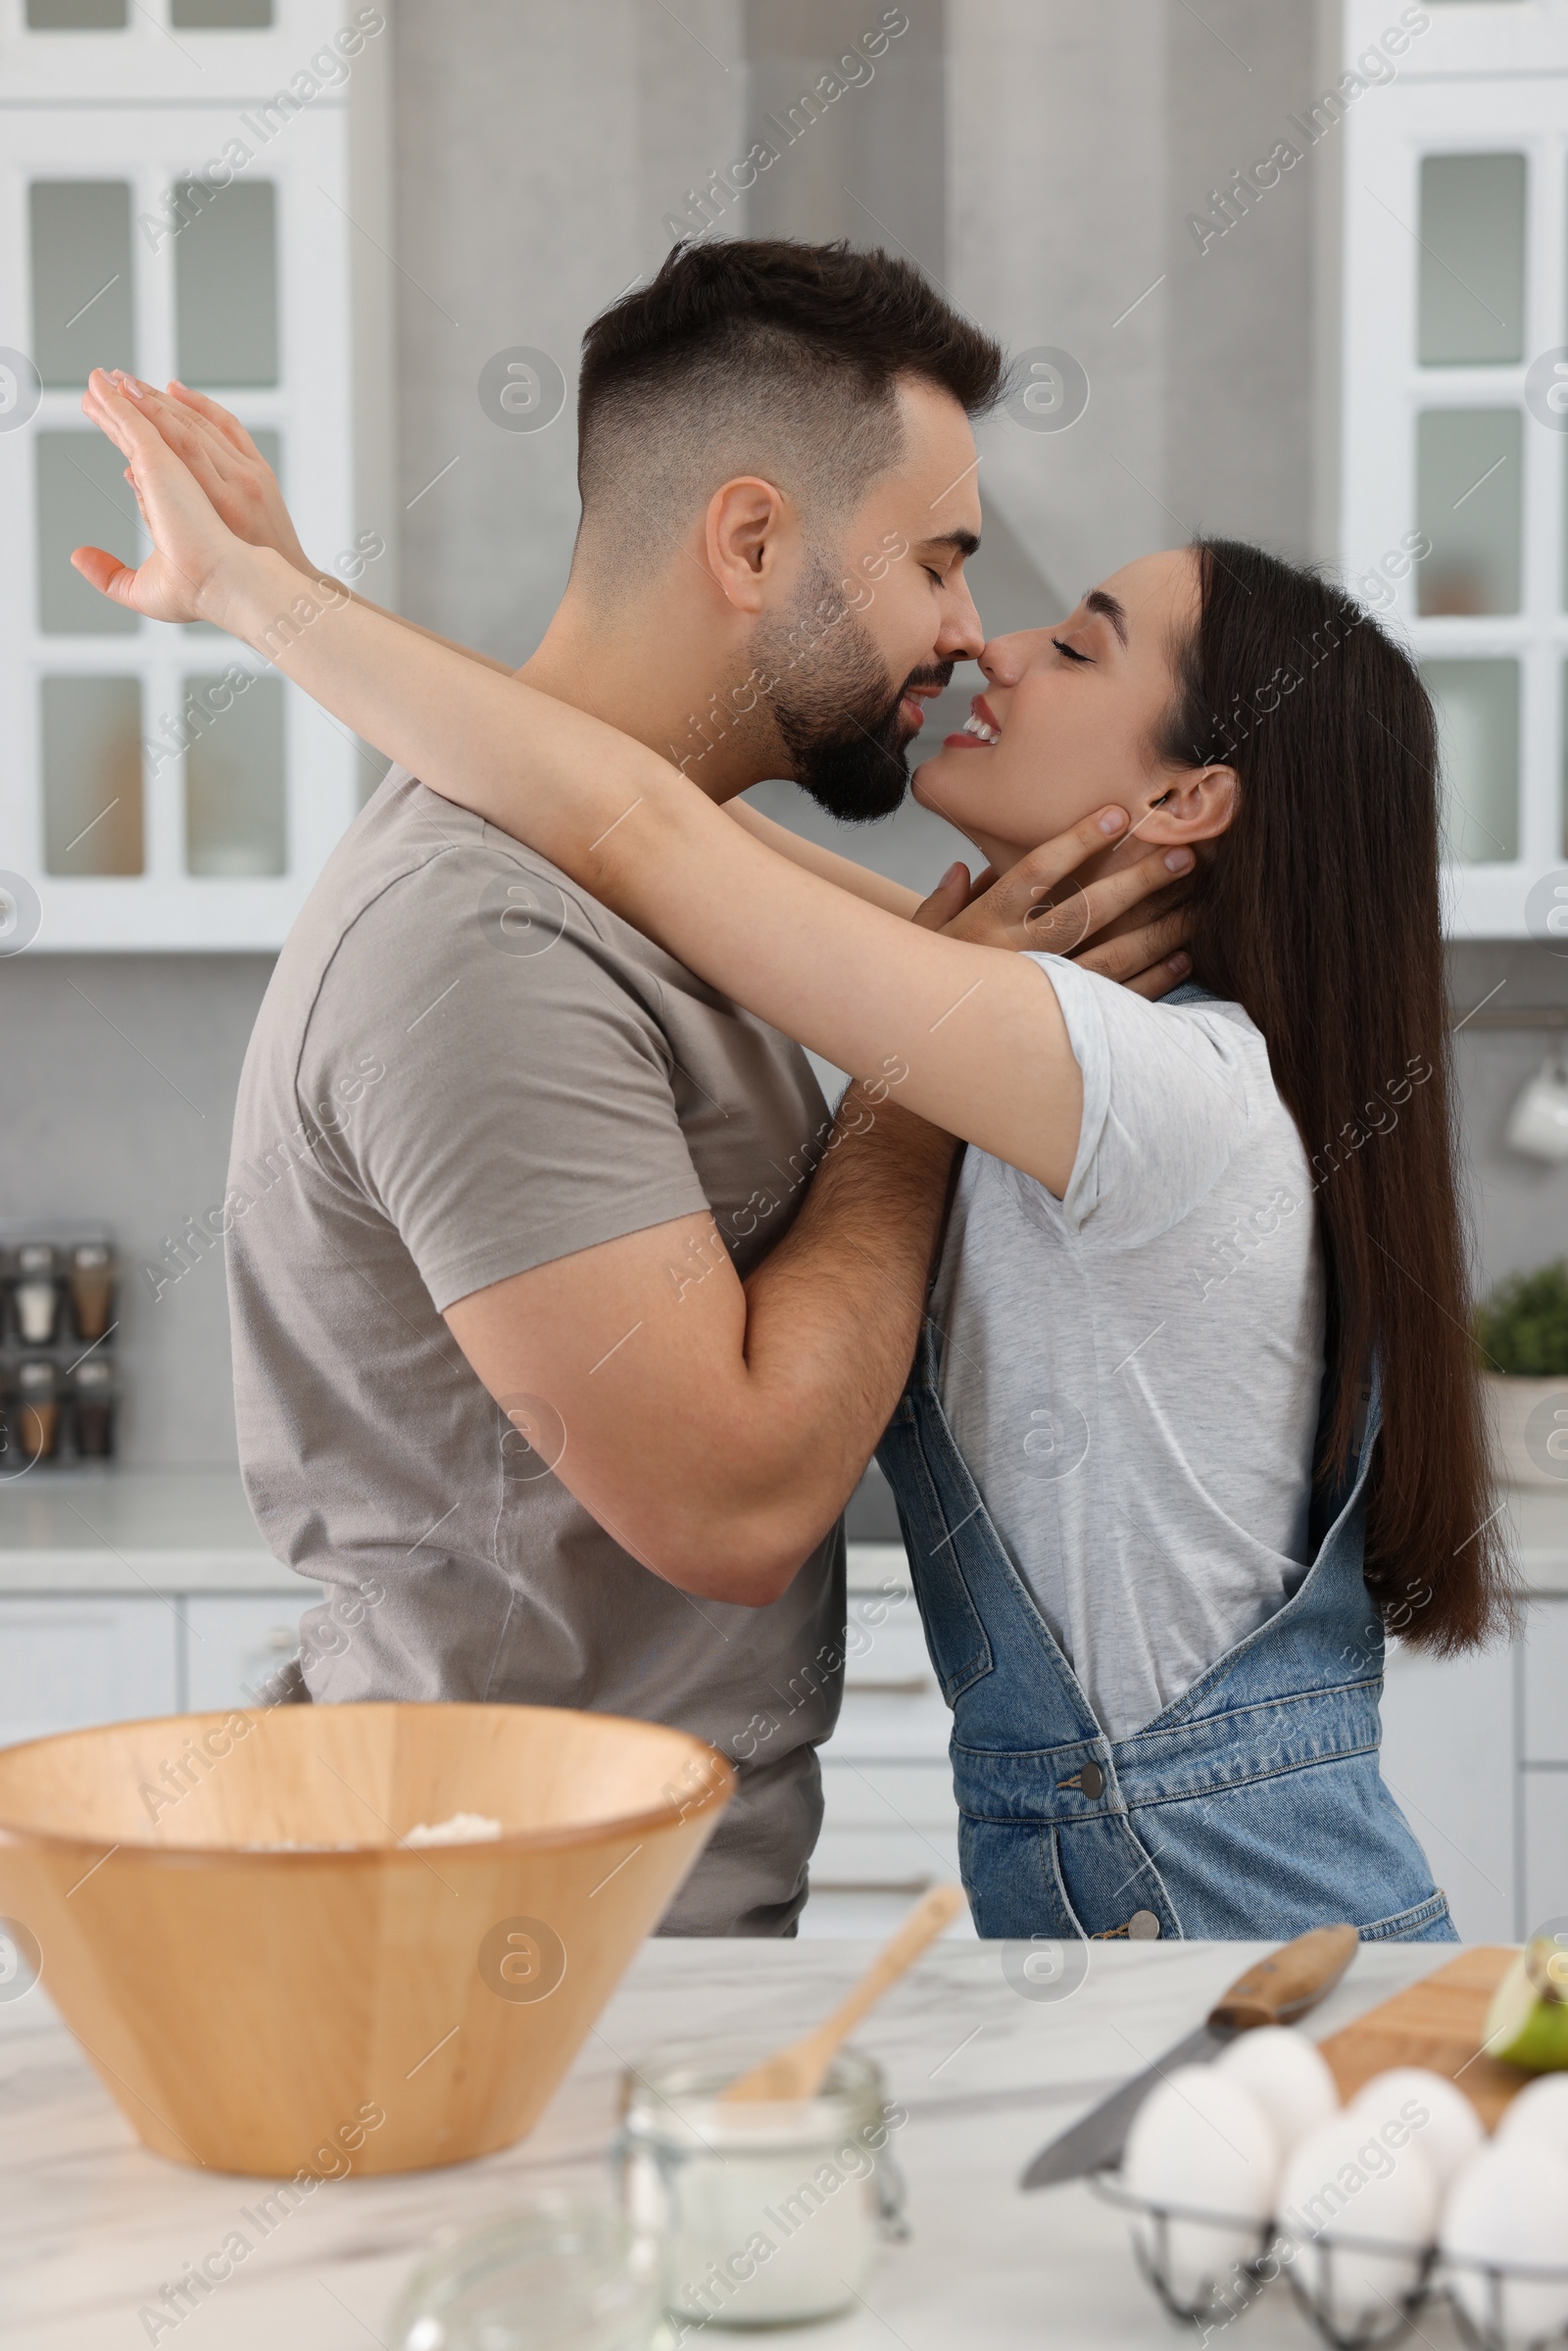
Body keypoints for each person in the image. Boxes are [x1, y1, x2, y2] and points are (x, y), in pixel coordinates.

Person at [78, 330, 1518, 1940]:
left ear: (1190, 802)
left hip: (1231, 1922)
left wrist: (265, 605)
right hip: (1180, 1895)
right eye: (948, 568)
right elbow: (649, 830)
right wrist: (283, 590)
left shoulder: (1139, 1078)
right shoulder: (1037, 1024)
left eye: (1085, 648)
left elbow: (642, 835)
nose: (994, 646)